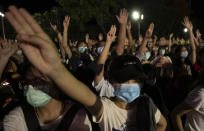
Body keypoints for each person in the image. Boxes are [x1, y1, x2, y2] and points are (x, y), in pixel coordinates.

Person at [5, 6, 167, 131]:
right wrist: (56, 70)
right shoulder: (106, 109)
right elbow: (84, 95)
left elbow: (163, 124)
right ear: (111, 81)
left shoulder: (147, 104)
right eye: (125, 80)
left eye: (137, 80)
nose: (132, 84)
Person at [3, 66, 92, 131]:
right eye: (27, 81)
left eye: (38, 80)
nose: (30, 86)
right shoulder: (18, 118)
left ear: (55, 83)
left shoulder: (78, 116)